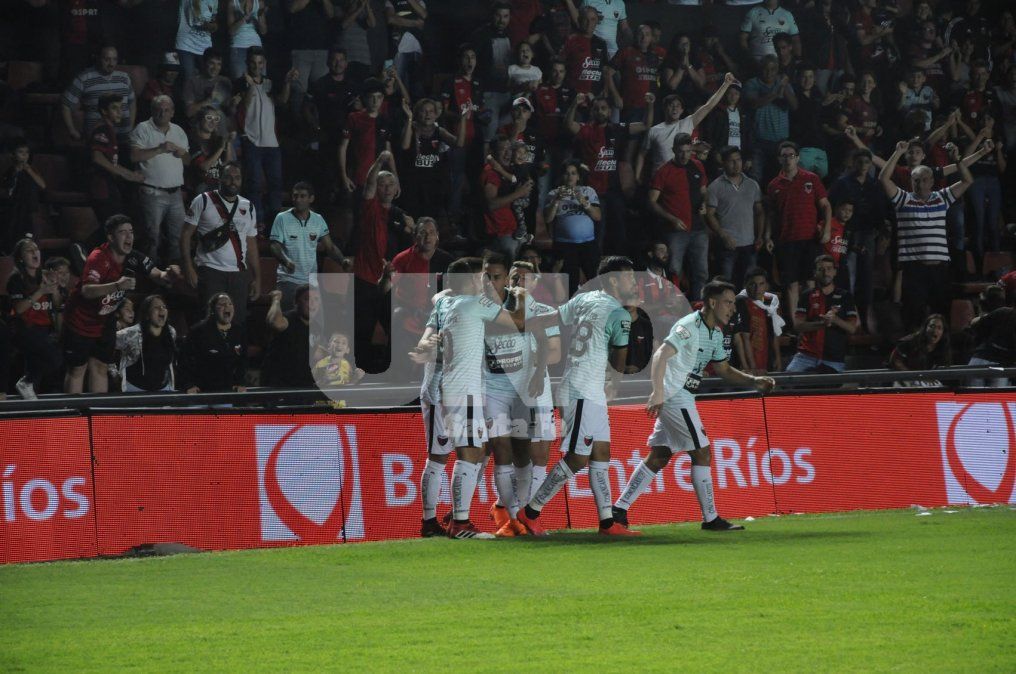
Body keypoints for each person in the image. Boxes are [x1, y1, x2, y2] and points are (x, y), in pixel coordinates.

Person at [612, 279, 776, 532]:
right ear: (712, 303)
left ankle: (619, 509)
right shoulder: (689, 325)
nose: (732, 309)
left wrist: (753, 381)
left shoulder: (716, 334)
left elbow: (723, 369)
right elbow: (660, 355)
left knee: (660, 455)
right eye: (728, 303)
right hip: (674, 395)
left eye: (733, 303)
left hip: (682, 396)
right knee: (702, 452)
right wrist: (658, 392)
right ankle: (710, 519)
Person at [515, 256, 639, 537]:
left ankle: (607, 522)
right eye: (629, 276)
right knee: (577, 458)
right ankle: (531, 511)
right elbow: (619, 360)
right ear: (614, 280)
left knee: (601, 452)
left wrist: (523, 326)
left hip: (582, 386)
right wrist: (616, 383)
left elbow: (553, 319)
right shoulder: (619, 314)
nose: (634, 281)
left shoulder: (585, 298)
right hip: (584, 389)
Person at [411, 257, 525, 539]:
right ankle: (460, 524)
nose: (485, 281)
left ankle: (429, 522)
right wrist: (521, 297)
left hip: (434, 387)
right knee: (471, 453)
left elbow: (426, 335)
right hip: (462, 389)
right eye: (481, 276)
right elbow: (518, 322)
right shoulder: (477, 303)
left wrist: (425, 344)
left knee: (437, 457)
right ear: (472, 280)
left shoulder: (443, 303)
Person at [482, 256, 561, 537]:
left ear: (537, 282)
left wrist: (535, 367)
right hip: (497, 388)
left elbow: (555, 352)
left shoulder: (543, 310)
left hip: (534, 389)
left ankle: (516, 512)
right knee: (506, 452)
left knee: (536, 455)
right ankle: (513, 517)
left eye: (526, 278)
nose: (520, 282)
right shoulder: (486, 308)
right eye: (516, 277)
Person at [878, 139, 989, 330]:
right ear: (911, 181)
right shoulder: (903, 199)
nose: (920, 184)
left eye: (924, 180)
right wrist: (898, 153)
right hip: (914, 269)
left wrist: (957, 160)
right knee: (913, 318)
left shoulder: (942, 197)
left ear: (931, 181)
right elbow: (883, 178)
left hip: (940, 269)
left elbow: (967, 180)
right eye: (916, 180)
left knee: (941, 317)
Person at [63, 214, 181, 394]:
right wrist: (117, 285)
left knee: (101, 366)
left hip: (105, 321)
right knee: (78, 369)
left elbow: (159, 276)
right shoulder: (98, 258)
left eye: (131, 232)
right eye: (122, 232)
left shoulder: (134, 258)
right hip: (80, 321)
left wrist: (169, 274)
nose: (129, 237)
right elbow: (87, 290)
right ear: (110, 237)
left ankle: (97, 409)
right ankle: (71, 410)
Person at [566, 93, 654, 254]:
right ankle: (596, 265)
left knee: (619, 231)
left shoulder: (616, 129)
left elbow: (646, 124)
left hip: (614, 191)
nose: (600, 111)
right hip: (593, 192)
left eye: (604, 108)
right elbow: (569, 124)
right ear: (592, 111)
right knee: (598, 232)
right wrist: (574, 104)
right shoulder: (587, 130)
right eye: (596, 109)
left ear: (609, 111)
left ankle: (619, 264)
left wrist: (649, 105)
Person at [180, 162, 261, 327]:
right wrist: (188, 268)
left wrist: (257, 278)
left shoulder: (249, 206)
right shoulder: (203, 200)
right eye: (228, 177)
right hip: (210, 271)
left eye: (237, 178)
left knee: (237, 324)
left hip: (239, 274)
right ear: (220, 178)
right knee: (209, 322)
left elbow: (252, 245)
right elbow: (185, 236)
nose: (233, 181)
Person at [353, 150, 412, 372]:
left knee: (397, 330)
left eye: (390, 184)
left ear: (396, 189)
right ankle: (359, 373)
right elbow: (368, 183)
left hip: (392, 284)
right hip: (366, 279)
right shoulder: (370, 207)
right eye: (382, 184)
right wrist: (380, 160)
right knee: (362, 331)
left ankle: (395, 372)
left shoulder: (402, 216)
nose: (386, 188)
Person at [232, 46, 298, 234]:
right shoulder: (240, 83)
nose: (256, 66)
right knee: (253, 184)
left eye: (260, 63)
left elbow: (282, 101)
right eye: (253, 63)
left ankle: (275, 222)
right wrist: (250, 87)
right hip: (251, 139)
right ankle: (258, 221)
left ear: (264, 64)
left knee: (275, 183)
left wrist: (287, 83)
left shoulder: (270, 83)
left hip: (272, 141)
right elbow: (242, 107)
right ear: (247, 63)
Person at [766, 141, 831, 324]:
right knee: (791, 284)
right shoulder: (773, 185)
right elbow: (771, 214)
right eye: (784, 156)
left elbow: (825, 206)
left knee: (811, 282)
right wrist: (767, 236)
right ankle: (796, 325)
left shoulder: (812, 179)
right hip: (787, 240)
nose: (788, 159)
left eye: (791, 155)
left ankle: (812, 320)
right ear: (779, 159)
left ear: (798, 158)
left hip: (810, 239)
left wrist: (826, 229)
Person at [636, 73, 739, 184]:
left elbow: (708, 106)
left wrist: (726, 84)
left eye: (678, 106)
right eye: (671, 105)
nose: (675, 108)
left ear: (681, 110)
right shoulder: (654, 130)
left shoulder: (687, 123)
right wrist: (637, 176)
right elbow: (642, 153)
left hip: (679, 180)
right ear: (665, 108)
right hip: (658, 181)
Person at [828, 148, 888, 330]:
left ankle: (865, 313)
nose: (863, 165)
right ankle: (851, 313)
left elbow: (880, 208)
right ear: (853, 163)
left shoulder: (874, 184)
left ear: (870, 164)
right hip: (847, 232)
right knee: (850, 274)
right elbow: (830, 204)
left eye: (866, 162)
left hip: (868, 233)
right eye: (860, 161)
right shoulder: (843, 183)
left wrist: (881, 230)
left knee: (866, 275)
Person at [129, 95, 191, 263]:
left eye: (166, 110)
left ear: (172, 112)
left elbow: (188, 160)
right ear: (152, 111)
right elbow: (134, 156)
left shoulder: (178, 131)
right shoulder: (143, 128)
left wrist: (182, 153)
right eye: (159, 110)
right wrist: (159, 149)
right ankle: (150, 272)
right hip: (152, 192)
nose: (162, 113)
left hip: (175, 193)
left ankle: (175, 272)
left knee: (177, 237)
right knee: (152, 237)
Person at [648, 133, 708, 301]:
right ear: (674, 150)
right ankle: (673, 306)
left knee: (701, 272)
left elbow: (704, 191)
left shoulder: (698, 166)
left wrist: (704, 203)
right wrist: (672, 219)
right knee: (674, 272)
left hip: (699, 228)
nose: (684, 155)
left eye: (688, 151)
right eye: (681, 151)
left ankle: (698, 305)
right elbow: (651, 201)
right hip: (675, 231)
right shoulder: (664, 171)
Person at [269, 182, 347, 310]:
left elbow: (330, 247)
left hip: (311, 282)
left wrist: (342, 261)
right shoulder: (282, 218)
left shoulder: (318, 219)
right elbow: (274, 245)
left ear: (311, 198)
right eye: (295, 196)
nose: (298, 199)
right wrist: (285, 261)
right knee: (287, 318)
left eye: (302, 196)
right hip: (288, 279)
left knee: (311, 320)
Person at [6, 238, 64, 400]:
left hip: (44, 328)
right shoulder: (16, 279)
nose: (34, 252)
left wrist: (54, 288)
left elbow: (57, 304)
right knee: (54, 358)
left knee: (35, 367)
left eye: (36, 249)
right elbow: (19, 308)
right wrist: (41, 291)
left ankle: (29, 400)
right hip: (24, 329)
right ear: (20, 258)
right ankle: (26, 382)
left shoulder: (45, 275)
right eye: (29, 250)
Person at [787, 255, 859, 373]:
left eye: (829, 268)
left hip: (833, 359)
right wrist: (822, 324)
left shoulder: (845, 296)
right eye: (821, 269)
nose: (826, 273)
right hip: (805, 356)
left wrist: (835, 320)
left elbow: (852, 328)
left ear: (835, 272)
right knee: (788, 381)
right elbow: (798, 326)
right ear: (815, 273)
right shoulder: (806, 295)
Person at [705, 146, 764, 290]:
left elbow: (759, 212)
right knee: (726, 285)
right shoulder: (715, 187)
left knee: (750, 285)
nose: (736, 164)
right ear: (723, 163)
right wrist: (723, 235)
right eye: (731, 161)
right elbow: (709, 214)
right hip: (727, 245)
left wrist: (760, 236)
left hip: (749, 243)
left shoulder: (752, 185)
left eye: (738, 160)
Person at [544, 158, 600, 295]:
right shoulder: (553, 194)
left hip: (588, 244)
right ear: (562, 176)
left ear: (578, 176)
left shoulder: (588, 191)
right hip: (565, 245)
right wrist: (557, 200)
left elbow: (598, 216)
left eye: (573, 173)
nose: (570, 176)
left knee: (595, 280)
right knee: (570, 284)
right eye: (567, 173)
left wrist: (584, 202)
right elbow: (548, 218)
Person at [61, 45, 136, 146]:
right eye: (107, 59)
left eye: (114, 59)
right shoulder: (84, 78)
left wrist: (131, 127)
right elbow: (66, 104)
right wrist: (72, 130)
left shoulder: (124, 78)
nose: (111, 64)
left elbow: (132, 102)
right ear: (98, 58)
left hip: (124, 139)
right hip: (97, 140)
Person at [90, 94, 145, 226]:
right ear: (104, 111)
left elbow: (111, 163)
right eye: (114, 108)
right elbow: (97, 157)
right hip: (102, 186)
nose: (120, 112)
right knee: (113, 226)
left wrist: (130, 174)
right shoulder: (102, 129)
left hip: (109, 186)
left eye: (121, 108)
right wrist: (126, 174)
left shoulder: (109, 129)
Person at [180, 292, 249, 393]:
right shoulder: (198, 332)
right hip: (202, 390)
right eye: (222, 304)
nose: (227, 306)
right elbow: (185, 360)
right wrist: (189, 385)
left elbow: (243, 361)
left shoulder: (239, 331)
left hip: (228, 390)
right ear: (213, 310)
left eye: (230, 304)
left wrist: (240, 382)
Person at [114, 294, 178, 392]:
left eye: (164, 307)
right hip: (134, 389)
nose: (161, 309)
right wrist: (114, 373)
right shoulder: (131, 333)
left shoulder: (171, 332)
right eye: (156, 307)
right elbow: (106, 346)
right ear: (147, 314)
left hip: (163, 389)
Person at [264, 285, 325, 388]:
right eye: (307, 299)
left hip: (303, 384)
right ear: (296, 302)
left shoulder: (317, 327)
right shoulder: (288, 318)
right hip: (280, 384)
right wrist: (276, 300)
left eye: (316, 299)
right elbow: (275, 322)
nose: (312, 303)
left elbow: (316, 354)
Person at [733, 267, 784, 375]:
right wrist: (752, 367)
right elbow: (743, 338)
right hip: (749, 364)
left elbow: (774, 332)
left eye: (761, 284)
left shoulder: (771, 302)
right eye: (753, 284)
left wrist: (778, 358)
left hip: (766, 359)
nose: (757, 289)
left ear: (767, 285)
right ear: (745, 285)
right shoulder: (740, 301)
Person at [0, 141, 46, 254]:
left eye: (27, 152)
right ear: (13, 155)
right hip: (14, 210)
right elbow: (7, 192)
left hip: (30, 209)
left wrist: (28, 170)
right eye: (21, 152)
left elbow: (43, 185)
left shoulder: (32, 170)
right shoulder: (10, 172)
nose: (24, 155)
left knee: (30, 237)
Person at [889, 313, 951, 386]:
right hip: (903, 378)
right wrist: (915, 376)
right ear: (925, 328)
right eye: (932, 326)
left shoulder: (942, 347)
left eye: (939, 328)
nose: (935, 330)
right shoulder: (911, 341)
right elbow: (895, 360)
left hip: (924, 380)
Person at [182, 48, 233, 131]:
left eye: (219, 64)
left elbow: (229, 112)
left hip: (220, 124)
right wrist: (209, 100)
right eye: (212, 63)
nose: (215, 68)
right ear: (204, 63)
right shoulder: (192, 82)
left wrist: (233, 105)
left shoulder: (225, 81)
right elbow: (189, 112)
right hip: (200, 125)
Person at [175, 0, 219, 81]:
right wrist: (211, 26)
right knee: (189, 79)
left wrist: (213, 26)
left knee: (207, 80)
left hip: (205, 45)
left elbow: (213, 20)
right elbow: (196, 20)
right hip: (186, 44)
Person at [226, 0, 267, 80]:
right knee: (239, 80)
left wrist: (259, 16)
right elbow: (231, 31)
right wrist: (244, 18)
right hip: (238, 45)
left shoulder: (259, 3)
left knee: (260, 81)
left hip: (256, 46)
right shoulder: (233, 3)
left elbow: (263, 31)